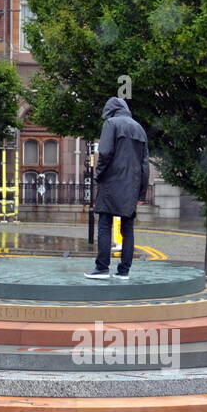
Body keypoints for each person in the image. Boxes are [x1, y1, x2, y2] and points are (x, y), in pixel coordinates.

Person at [86, 96, 150, 280]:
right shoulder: (140, 128)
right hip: (132, 187)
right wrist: (142, 192)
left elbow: (104, 153)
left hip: (111, 183)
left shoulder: (111, 124)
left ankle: (101, 268)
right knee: (127, 228)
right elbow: (144, 165)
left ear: (110, 110)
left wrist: (98, 174)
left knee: (105, 224)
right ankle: (124, 271)